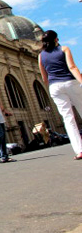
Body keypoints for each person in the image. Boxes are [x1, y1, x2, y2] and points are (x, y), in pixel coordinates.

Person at [38, 30, 82, 160]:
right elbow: (72, 67)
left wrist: (52, 86)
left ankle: (79, 150)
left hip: (54, 87)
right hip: (69, 82)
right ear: (56, 39)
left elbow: (44, 78)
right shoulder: (64, 49)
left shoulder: (41, 55)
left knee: (68, 119)